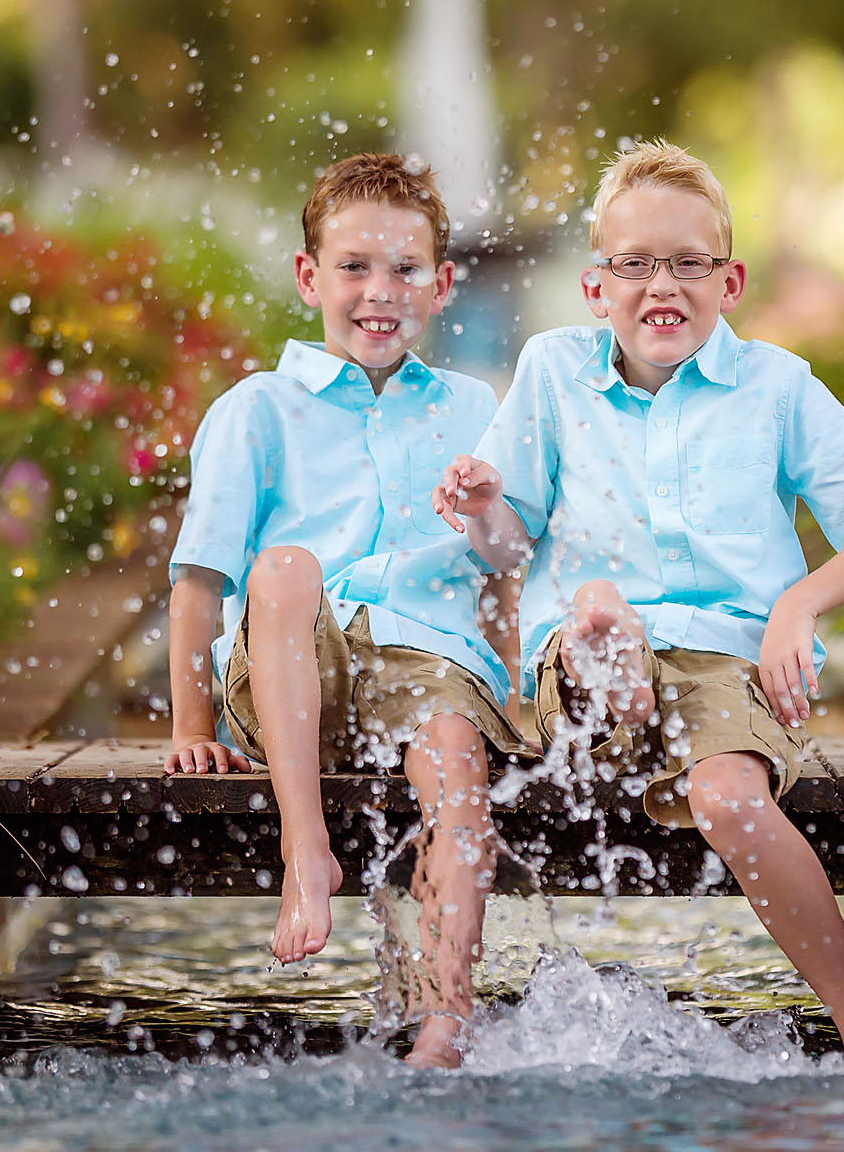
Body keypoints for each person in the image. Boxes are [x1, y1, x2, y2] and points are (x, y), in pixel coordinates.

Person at [433, 139, 844, 1068]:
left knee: (728, 797)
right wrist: (480, 508)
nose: (660, 284)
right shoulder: (552, 372)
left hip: (726, 663)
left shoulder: (777, 387)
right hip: (578, 661)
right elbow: (509, 544)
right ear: (596, 286)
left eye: (688, 263)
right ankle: (613, 662)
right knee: (591, 608)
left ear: (730, 279)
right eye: (634, 264)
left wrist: (800, 601)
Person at [163, 152, 527, 1069]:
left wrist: (487, 514)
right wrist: (189, 721)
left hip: (423, 659)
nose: (381, 291)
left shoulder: (472, 407)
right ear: (308, 276)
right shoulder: (257, 410)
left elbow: (510, 567)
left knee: (456, 760)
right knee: (284, 567)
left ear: (441, 285)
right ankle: (306, 853)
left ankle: (446, 1019)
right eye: (355, 266)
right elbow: (201, 579)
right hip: (292, 667)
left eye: (406, 270)